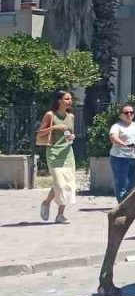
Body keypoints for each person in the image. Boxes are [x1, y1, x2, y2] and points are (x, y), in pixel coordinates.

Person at [36, 90, 76, 223]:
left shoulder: (71, 117)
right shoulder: (50, 115)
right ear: (59, 100)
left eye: (70, 99)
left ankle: (60, 215)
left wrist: (71, 136)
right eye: (67, 99)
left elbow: (69, 134)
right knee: (59, 183)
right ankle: (47, 202)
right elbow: (40, 133)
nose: (70, 101)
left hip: (67, 153)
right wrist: (55, 127)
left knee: (66, 185)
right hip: (53, 152)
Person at [107, 103, 135, 204]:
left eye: (131, 112)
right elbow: (113, 138)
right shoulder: (117, 126)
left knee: (133, 183)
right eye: (126, 113)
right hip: (119, 157)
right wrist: (125, 144)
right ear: (121, 115)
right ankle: (122, 204)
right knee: (122, 181)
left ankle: (129, 202)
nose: (129, 115)